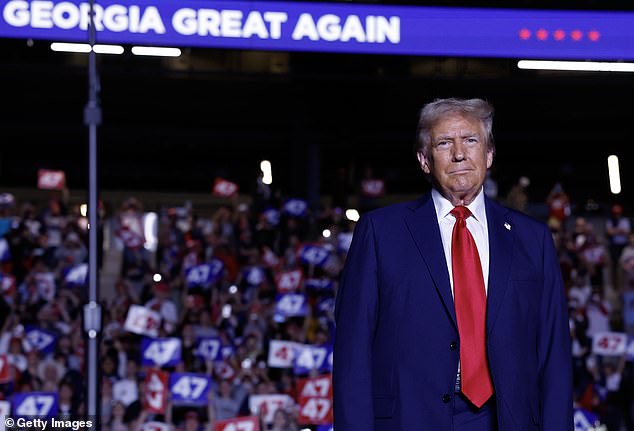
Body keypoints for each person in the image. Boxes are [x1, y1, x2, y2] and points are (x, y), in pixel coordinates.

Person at [333, 98, 572, 431]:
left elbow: (554, 355)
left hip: (507, 420)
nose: (459, 153)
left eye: (471, 140)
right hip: (409, 420)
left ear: (489, 154)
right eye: (444, 143)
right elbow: (352, 354)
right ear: (424, 160)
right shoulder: (380, 232)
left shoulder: (532, 238)